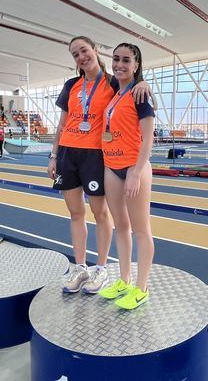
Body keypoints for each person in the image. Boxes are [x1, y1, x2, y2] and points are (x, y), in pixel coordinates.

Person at [48, 36, 152, 294]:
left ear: (95, 50)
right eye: (75, 54)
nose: (81, 57)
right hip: (68, 154)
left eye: (84, 50)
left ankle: (102, 268)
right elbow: (62, 123)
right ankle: (81, 267)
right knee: (76, 213)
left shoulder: (113, 81)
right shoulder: (71, 85)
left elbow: (134, 83)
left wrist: (145, 83)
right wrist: (53, 155)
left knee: (101, 214)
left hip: (96, 155)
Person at [97, 43, 155, 310]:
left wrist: (134, 173)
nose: (119, 64)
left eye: (126, 60)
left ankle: (141, 288)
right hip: (111, 166)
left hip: (134, 168)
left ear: (136, 65)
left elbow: (148, 139)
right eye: (116, 59)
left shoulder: (139, 94)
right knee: (121, 226)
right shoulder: (114, 94)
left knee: (141, 230)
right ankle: (124, 280)